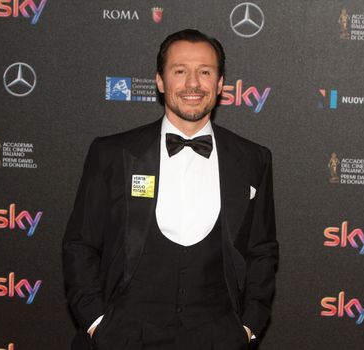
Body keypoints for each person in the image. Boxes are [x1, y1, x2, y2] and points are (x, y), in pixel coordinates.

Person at [63, 29, 278, 350]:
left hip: (217, 338)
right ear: (161, 82)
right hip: (124, 337)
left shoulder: (252, 159)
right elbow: (80, 244)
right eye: (180, 71)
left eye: (205, 72)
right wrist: (97, 323)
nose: (193, 83)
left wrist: (247, 327)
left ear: (220, 84)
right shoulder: (112, 153)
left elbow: (262, 250)